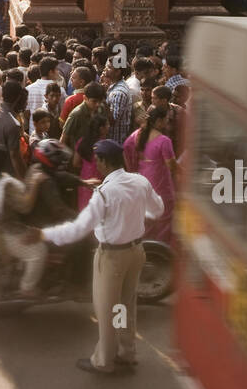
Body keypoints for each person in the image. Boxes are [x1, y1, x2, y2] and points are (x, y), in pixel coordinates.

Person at [26, 139, 164, 374]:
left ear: (103, 161)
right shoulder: (140, 182)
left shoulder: (104, 193)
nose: (96, 165)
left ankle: (103, 361)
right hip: (136, 253)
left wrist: (42, 234)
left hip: (112, 258)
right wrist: (137, 215)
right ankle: (126, 352)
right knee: (124, 307)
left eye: (97, 160)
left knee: (106, 310)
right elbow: (158, 209)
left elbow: (77, 230)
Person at [0, 146, 47, 298]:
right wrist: (35, 184)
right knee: (39, 251)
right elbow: (25, 207)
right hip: (1, 232)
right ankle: (27, 287)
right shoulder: (5, 185)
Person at [122, 106, 177, 244]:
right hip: (160, 184)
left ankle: (144, 247)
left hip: (143, 182)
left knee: (147, 219)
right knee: (164, 218)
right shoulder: (164, 141)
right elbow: (171, 165)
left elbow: (126, 149)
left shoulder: (137, 135)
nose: (168, 123)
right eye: (166, 120)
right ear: (159, 121)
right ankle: (160, 250)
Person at [61, 82, 112, 208]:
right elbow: (63, 138)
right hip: (79, 159)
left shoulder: (101, 109)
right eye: (94, 101)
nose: (97, 105)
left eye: (100, 101)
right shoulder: (76, 114)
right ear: (85, 98)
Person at [0, 78, 26, 179]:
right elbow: (15, 156)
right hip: (6, 173)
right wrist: (24, 180)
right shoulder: (13, 124)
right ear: (18, 98)